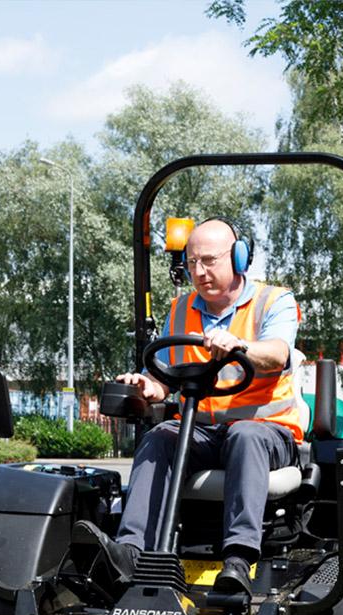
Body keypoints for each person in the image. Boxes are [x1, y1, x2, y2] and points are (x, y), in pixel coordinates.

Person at [75, 218, 304, 595]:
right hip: (201, 429)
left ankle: (238, 560)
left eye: (209, 261)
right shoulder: (180, 309)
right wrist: (150, 386)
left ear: (239, 257)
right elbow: (169, 378)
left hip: (269, 431)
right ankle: (131, 551)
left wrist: (239, 346)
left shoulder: (273, 301)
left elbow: (277, 354)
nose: (199, 271)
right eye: (192, 262)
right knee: (161, 436)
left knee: (245, 435)